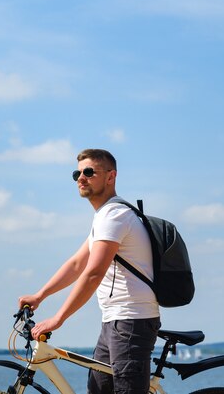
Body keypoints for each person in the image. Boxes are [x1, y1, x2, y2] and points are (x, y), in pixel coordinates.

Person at [18, 149, 160, 394]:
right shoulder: (104, 216)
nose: (81, 178)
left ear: (110, 176)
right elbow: (77, 264)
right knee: (97, 390)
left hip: (131, 321)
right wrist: (40, 296)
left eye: (89, 172)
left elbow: (93, 273)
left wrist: (58, 318)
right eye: (77, 173)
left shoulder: (115, 215)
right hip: (114, 321)